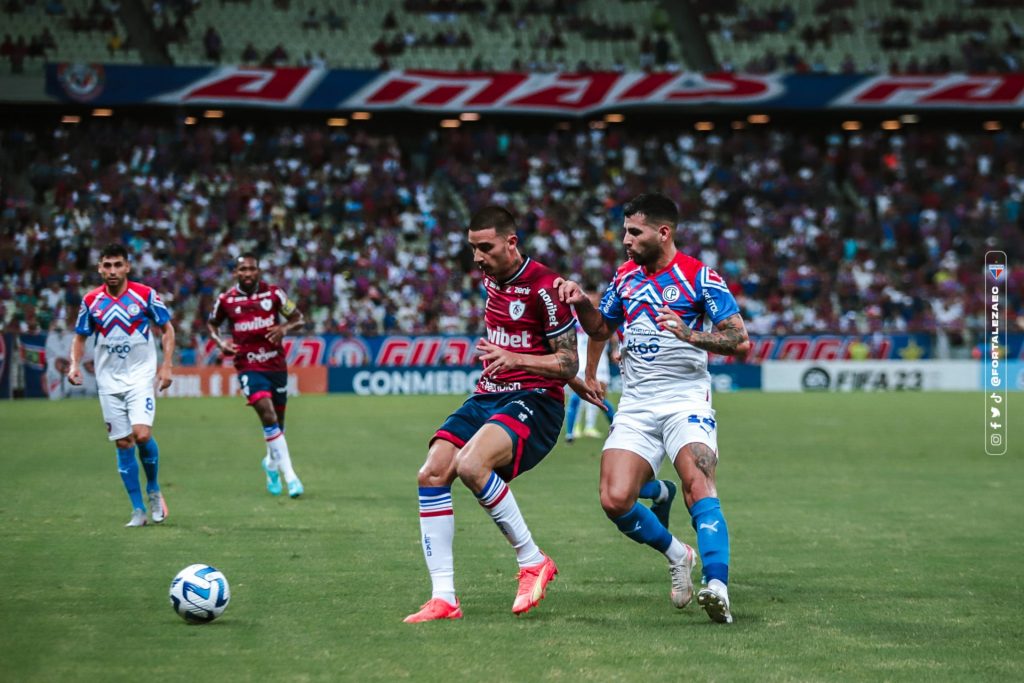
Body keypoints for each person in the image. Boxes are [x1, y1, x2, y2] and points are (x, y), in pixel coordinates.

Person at [555, 193, 751, 624]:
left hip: (684, 399)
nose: (625, 239)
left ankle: (716, 585)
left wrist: (689, 335)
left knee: (698, 481)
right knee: (614, 499)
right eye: (625, 230)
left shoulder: (701, 277)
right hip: (638, 404)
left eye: (634, 232)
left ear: (663, 233)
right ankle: (678, 553)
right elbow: (602, 328)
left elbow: (740, 340)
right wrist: (581, 302)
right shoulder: (624, 278)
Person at [405, 206, 599, 623]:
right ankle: (444, 598)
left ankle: (533, 561)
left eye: (485, 247)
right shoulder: (491, 276)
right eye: (473, 247)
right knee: (432, 472)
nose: (477, 257)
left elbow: (567, 362)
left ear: (511, 242)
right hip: (488, 395)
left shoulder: (546, 287)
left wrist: (517, 358)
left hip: (537, 402)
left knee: (471, 464)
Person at [68, 243, 176, 527]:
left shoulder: (145, 295)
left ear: (127, 266)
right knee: (123, 441)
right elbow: (80, 337)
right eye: (107, 265)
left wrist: (166, 365)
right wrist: (74, 365)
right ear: (100, 268)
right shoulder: (91, 301)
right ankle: (137, 510)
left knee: (141, 435)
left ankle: (153, 489)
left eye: (117, 265)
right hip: (108, 381)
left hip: (140, 376)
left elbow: (167, 328)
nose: (112, 271)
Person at [207, 253, 306, 498]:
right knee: (267, 414)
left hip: (275, 365)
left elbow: (299, 318)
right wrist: (220, 342)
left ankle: (271, 465)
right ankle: (291, 477)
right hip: (248, 366)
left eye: (251, 269)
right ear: (235, 273)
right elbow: (212, 324)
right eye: (243, 270)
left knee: (277, 427)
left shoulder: (274, 294)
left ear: (258, 271)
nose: (247, 274)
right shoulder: (226, 300)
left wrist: (284, 327)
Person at [565, 292, 617, 443]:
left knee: (599, 398)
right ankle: (572, 430)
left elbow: (613, 336)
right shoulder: (576, 317)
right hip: (581, 364)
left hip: (601, 365)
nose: (592, 298)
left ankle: (592, 426)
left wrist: (615, 349)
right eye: (590, 296)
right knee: (577, 397)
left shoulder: (605, 315)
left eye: (595, 296)